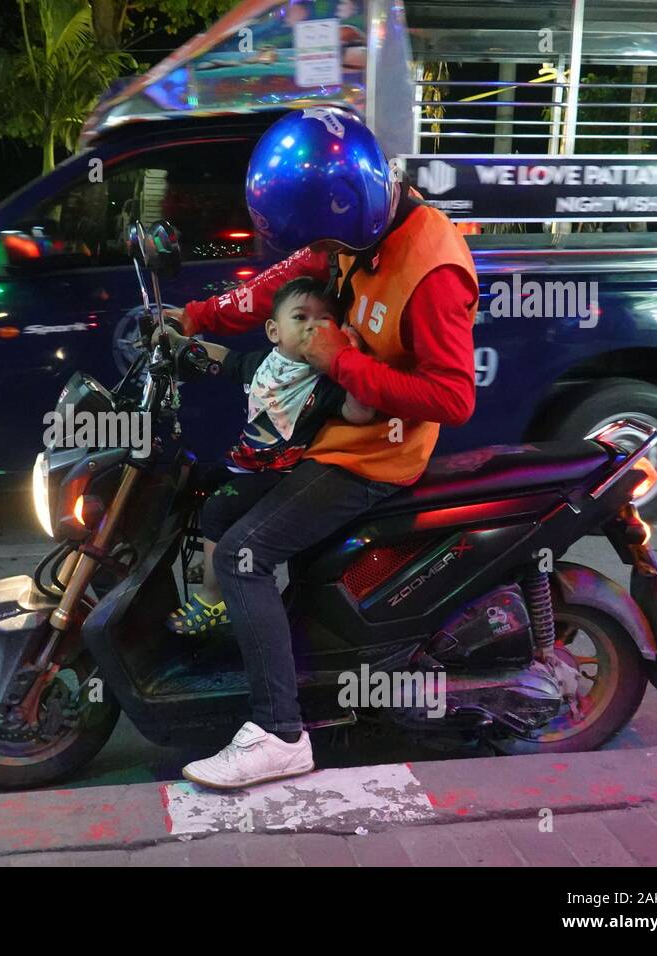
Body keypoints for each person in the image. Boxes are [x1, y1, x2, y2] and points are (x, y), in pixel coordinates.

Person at [172, 107, 479, 790]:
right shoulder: (351, 238)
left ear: (354, 210)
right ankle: (279, 647)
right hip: (326, 433)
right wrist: (195, 317)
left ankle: (280, 733)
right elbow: (277, 285)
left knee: (245, 556)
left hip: (374, 455)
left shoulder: (432, 270)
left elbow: (455, 398)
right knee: (217, 512)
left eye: (326, 241)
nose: (323, 253)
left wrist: (340, 361)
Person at [158, 276, 375, 636]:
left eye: (325, 320)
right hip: (245, 461)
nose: (313, 327)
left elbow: (360, 413)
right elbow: (226, 359)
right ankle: (212, 562)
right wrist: (180, 343)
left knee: (218, 508)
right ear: (274, 331)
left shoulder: (324, 380)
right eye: (301, 317)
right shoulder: (263, 364)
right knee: (192, 480)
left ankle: (215, 600)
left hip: (279, 475)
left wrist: (353, 362)